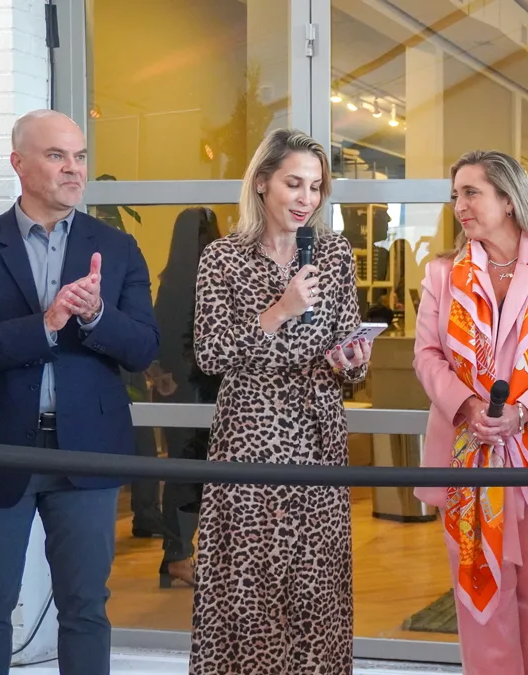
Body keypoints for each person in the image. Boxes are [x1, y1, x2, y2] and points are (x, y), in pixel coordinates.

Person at [0, 109, 159, 675]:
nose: (74, 169)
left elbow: (142, 349)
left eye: (80, 156)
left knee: (86, 607)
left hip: (85, 452)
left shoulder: (117, 248)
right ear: (18, 163)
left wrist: (94, 317)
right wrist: (46, 322)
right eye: (56, 155)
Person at [189, 128, 373, 674]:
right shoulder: (222, 257)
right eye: (294, 183)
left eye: (315, 188)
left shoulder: (335, 252)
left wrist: (352, 361)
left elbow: (345, 345)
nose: (305, 199)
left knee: (317, 582)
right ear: (263, 182)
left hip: (318, 434)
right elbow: (212, 354)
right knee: (253, 577)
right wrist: (279, 310)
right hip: (250, 434)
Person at [412, 150, 528, 675]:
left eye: (471, 193)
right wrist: (468, 406)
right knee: (479, 599)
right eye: (455, 195)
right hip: (466, 458)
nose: (459, 206)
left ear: (509, 199)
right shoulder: (443, 274)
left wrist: (523, 412)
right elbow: (426, 356)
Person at [151, 207, 223, 588]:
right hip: (194, 389)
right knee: (191, 473)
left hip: (178, 388)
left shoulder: (171, 283)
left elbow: (158, 335)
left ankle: (176, 555)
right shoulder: (202, 282)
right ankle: (178, 556)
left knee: (186, 472)